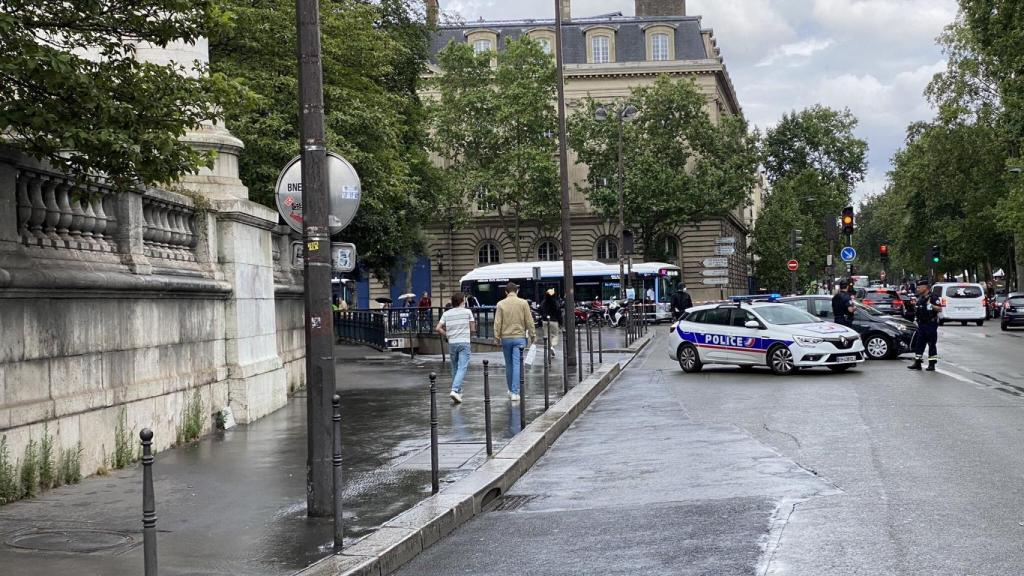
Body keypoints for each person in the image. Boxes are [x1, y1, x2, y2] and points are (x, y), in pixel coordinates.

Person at [493, 281, 536, 402]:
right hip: (519, 337)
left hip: (506, 338)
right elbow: (529, 320)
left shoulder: (500, 304)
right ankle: (515, 392)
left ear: (505, 292)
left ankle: (510, 389)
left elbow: (497, 322)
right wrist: (532, 335)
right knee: (517, 364)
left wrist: (496, 337)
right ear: (517, 291)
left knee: (509, 365)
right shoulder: (523, 303)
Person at [436, 293, 476, 403]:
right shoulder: (468, 312)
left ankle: (458, 391)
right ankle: (454, 390)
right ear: (462, 301)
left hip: (452, 343)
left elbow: (438, 328)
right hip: (464, 342)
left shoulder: (446, 313)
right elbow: (472, 328)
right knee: (462, 367)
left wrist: (447, 335)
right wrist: (469, 335)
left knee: (454, 367)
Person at [909, 278, 943, 371]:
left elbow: (939, 308)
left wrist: (931, 305)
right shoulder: (921, 298)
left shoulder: (933, 297)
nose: (918, 289)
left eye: (919, 287)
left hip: (930, 324)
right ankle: (918, 363)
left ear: (925, 287)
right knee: (919, 344)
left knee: (931, 345)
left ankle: (932, 364)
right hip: (921, 325)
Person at [539, 288, 562, 357]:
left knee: (547, 336)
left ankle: (550, 347)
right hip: (554, 321)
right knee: (555, 335)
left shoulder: (543, 302)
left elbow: (540, 311)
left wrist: (543, 317)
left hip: (545, 321)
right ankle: (552, 346)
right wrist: (560, 322)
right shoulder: (556, 303)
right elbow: (559, 313)